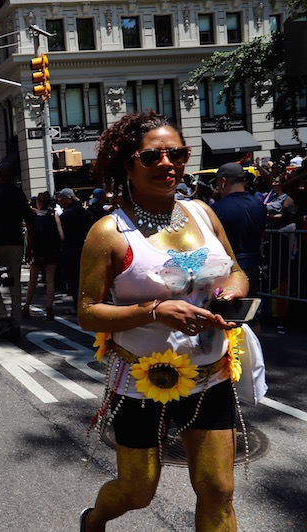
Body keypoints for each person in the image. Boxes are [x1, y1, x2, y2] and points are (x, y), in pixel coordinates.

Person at [78, 110, 249, 531]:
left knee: (218, 489)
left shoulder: (204, 214)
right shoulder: (110, 231)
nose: (168, 164)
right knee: (138, 490)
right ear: (127, 163)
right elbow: (86, 312)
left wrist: (234, 290)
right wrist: (155, 311)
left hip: (210, 372)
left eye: (177, 154)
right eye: (152, 157)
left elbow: (236, 270)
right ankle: (94, 519)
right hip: (140, 379)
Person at [0, 163, 34, 342]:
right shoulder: (19, 193)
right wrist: (30, 248)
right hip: (16, 243)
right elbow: (29, 221)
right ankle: (16, 323)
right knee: (15, 284)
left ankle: (3, 319)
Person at [212, 162, 267, 325]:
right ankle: (255, 349)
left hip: (230, 270)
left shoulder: (217, 209)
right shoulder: (259, 204)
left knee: (226, 318)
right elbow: (261, 233)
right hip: (254, 265)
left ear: (223, 181)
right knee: (252, 317)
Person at [22, 192, 63, 321]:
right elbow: (61, 236)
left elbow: (29, 237)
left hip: (37, 251)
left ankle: (27, 307)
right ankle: (49, 309)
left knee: (32, 281)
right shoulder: (54, 215)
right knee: (50, 280)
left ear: (38, 202)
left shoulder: (34, 217)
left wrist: (29, 252)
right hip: (51, 251)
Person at [57, 188, 93, 301]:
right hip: (86, 249)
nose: (60, 202)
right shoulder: (86, 213)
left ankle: (77, 305)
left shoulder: (66, 215)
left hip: (71, 250)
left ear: (68, 199)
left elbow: (61, 236)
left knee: (73, 279)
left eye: (62, 199)